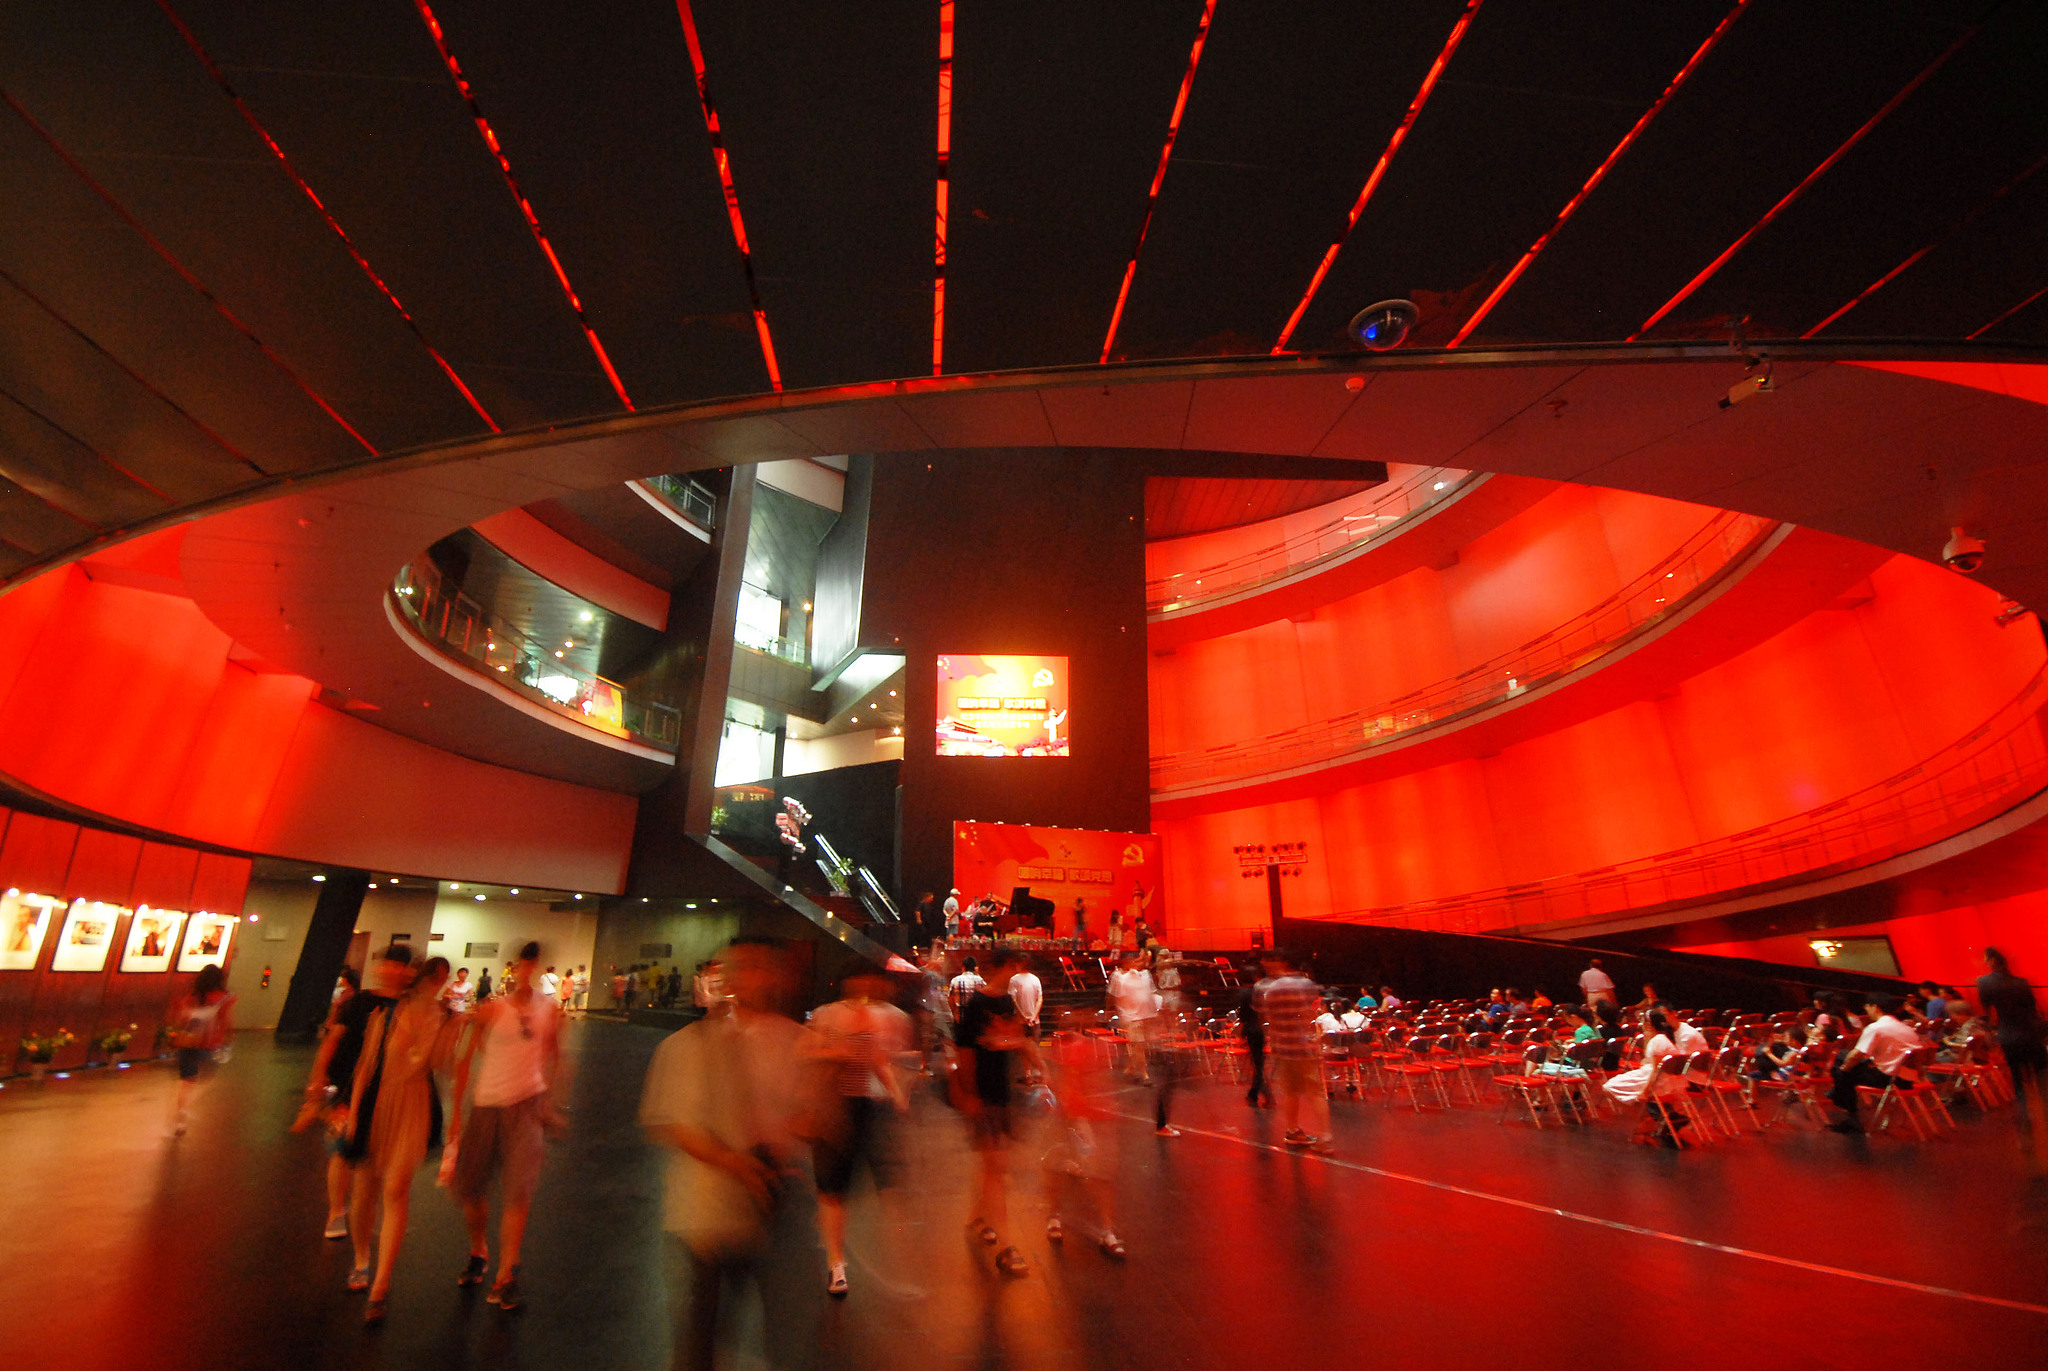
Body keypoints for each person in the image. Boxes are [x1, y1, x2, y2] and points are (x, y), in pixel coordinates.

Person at [641, 938, 808, 1371]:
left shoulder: (791, 1039)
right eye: (748, 966)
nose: (760, 976)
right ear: (728, 978)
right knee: (702, 1332)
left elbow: (804, 1116)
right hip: (705, 1217)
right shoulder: (688, 1045)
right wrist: (739, 1164)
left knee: (786, 1331)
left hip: (771, 1213)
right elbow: (676, 1125)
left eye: (765, 966)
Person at [450, 941, 567, 1311]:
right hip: (486, 1105)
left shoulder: (550, 1010)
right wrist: (455, 1117)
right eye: (522, 963)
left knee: (519, 1189)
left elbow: (555, 1055)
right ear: (514, 967)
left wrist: (548, 1102)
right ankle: (478, 1251)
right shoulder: (492, 1009)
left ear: (539, 966)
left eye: (534, 963)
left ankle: (507, 1273)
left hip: (526, 1106)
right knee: (472, 1191)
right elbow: (464, 1059)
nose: (527, 969)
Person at [342, 957, 455, 1323]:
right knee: (365, 1189)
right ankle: (362, 1258)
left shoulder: (443, 1017)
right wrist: (354, 1114)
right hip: (378, 1103)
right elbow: (365, 1066)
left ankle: (381, 1285)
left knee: (396, 1187)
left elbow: (442, 1064)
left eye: (443, 979)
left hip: (413, 1104)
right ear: (419, 979)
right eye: (434, 977)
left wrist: (452, 1030)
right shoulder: (386, 1014)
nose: (438, 984)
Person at [802, 967, 912, 1297]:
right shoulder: (827, 1015)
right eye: (862, 980)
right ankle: (836, 1263)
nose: (868, 986)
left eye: (873, 981)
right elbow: (804, 1052)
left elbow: (879, 1060)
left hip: (872, 1107)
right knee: (833, 1189)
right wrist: (837, 1053)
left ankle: (899, 1261)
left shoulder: (886, 1016)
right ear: (848, 982)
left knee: (886, 1185)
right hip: (834, 1107)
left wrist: (895, 1092)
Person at [302, 945, 413, 1239]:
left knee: (376, 1153)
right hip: (350, 1086)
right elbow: (333, 1038)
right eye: (389, 964)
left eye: (399, 966)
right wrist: (318, 1075)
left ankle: (364, 1208)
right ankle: (336, 1211)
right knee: (343, 1148)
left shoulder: (410, 1005)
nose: (393, 970)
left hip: (389, 1090)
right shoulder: (362, 1001)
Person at [950, 948, 1040, 1277]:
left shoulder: (1005, 1002)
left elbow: (1017, 1037)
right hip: (984, 1096)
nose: (1016, 972)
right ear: (1003, 967)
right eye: (1013, 966)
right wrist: (969, 1095)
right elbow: (964, 1051)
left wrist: (1040, 1065)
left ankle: (978, 1218)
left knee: (992, 1166)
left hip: (1001, 1094)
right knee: (997, 1168)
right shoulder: (977, 1004)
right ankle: (1006, 1247)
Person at [1256, 950, 1331, 1152]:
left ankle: (1292, 1130)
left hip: (1284, 1047)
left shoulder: (1269, 988)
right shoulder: (1307, 985)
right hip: (1306, 1045)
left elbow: (1263, 1014)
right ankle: (1325, 1137)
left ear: (1281, 963)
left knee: (1290, 1092)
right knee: (1316, 1093)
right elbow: (1312, 1011)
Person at [1978, 946, 2047, 1163]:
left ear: (1990, 960)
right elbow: (2033, 1010)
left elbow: (1987, 1013)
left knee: (2019, 1085)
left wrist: (1989, 1034)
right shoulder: (2021, 982)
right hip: (2031, 1034)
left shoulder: (1984, 982)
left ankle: (2025, 1131)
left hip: (2009, 1036)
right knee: (2043, 1082)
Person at [1826, 994, 1920, 1134]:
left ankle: (1850, 1116)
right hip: (1909, 1079)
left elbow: (1856, 1055)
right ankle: (1837, 1094)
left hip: (1890, 1080)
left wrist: (1844, 1069)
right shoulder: (1906, 1028)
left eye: (1867, 1006)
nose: (1866, 1009)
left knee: (1843, 1069)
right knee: (1845, 1062)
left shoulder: (1876, 1028)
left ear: (1875, 1007)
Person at [166, 963, 234, 1137]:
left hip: (188, 1043)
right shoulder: (224, 998)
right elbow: (226, 1022)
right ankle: (185, 1110)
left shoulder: (192, 996)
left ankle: (181, 1118)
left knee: (186, 1082)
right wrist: (225, 1040)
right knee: (204, 1080)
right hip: (208, 1045)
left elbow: (181, 1019)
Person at [1108, 951, 1159, 1083]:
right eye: (1136, 960)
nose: (1139, 962)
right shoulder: (1120, 978)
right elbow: (1114, 997)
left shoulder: (1146, 975)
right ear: (1127, 962)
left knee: (1140, 1046)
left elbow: (1151, 994)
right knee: (1138, 1046)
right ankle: (1144, 1075)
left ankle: (1130, 1068)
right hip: (1132, 1017)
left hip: (1147, 1016)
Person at [1008, 960, 1043, 1038]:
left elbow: (1013, 999)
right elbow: (1039, 999)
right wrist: (1033, 1016)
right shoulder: (1035, 979)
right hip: (1031, 1020)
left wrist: (1024, 1016)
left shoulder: (1014, 980)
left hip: (1022, 1021)